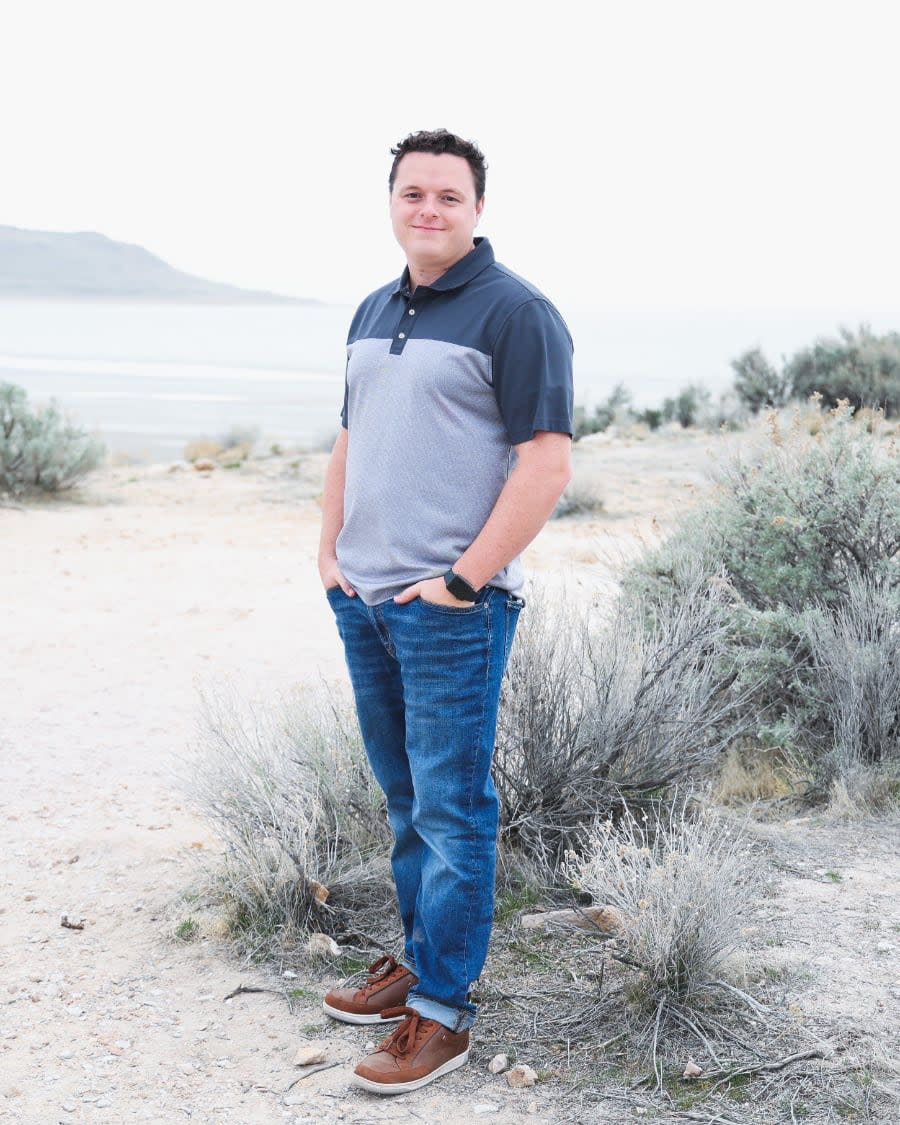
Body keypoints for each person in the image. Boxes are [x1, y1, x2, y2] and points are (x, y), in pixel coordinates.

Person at [318, 128, 574, 1095]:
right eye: (412, 193)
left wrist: (464, 580)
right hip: (367, 598)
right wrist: (330, 550)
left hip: (448, 612)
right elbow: (351, 433)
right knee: (404, 799)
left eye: (449, 197)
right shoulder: (375, 306)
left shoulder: (517, 313)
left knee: (454, 809)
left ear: (477, 209)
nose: (429, 209)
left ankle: (444, 1015)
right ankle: (420, 968)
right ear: (392, 202)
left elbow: (545, 461)